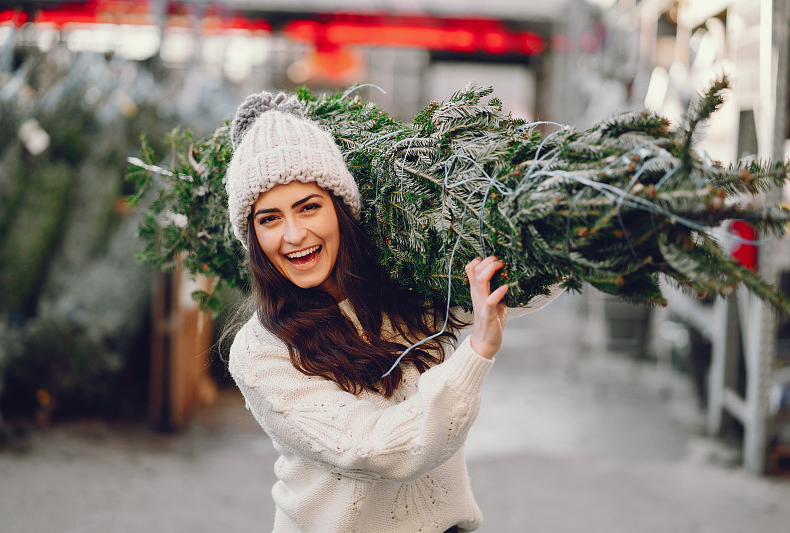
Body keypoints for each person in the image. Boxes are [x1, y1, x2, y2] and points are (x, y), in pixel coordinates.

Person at [225, 91, 552, 533]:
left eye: (309, 207)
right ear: (253, 236)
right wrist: (476, 352)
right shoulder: (262, 349)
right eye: (269, 219)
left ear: (340, 208)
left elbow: (529, 285)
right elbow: (373, 449)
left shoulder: (407, 287)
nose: (294, 235)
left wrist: (558, 223)